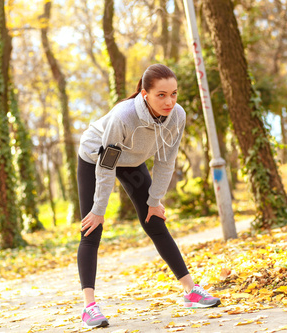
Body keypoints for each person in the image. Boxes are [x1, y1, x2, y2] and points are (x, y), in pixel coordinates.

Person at [76, 64, 221, 329]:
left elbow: (166, 161)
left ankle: (190, 290)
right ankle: (89, 307)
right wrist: (99, 209)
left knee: (155, 221)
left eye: (174, 94)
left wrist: (155, 201)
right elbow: (106, 166)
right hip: (95, 156)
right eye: (161, 95)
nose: (170, 101)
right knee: (91, 228)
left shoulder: (177, 116)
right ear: (145, 94)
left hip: (132, 161)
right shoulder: (124, 117)